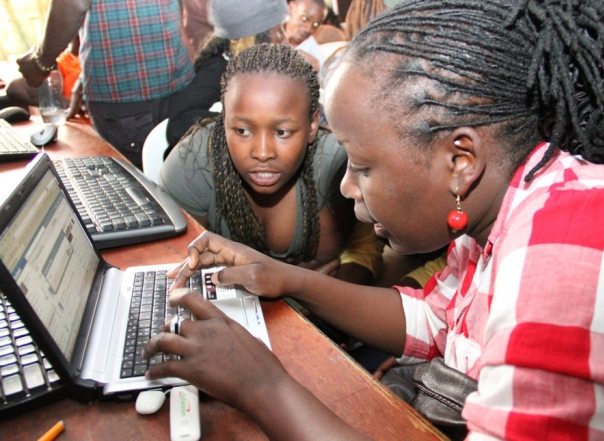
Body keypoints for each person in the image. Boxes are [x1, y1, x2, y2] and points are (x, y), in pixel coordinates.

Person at [144, 1, 604, 440]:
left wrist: (261, 384)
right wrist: (283, 275)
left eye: (362, 166)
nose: (346, 186)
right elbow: (434, 321)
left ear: (461, 161)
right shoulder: (504, 204)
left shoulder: (577, 234)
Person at [161, 43, 380, 287]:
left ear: (313, 125)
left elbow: (362, 251)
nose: (263, 153)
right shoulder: (193, 165)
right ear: (224, 120)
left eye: (282, 132)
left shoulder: (336, 167)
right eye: (243, 130)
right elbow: (177, 266)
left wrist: (325, 291)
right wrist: (292, 284)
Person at [16, 0, 194, 169]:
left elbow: (72, 3)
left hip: (128, 98)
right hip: (180, 83)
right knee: (181, 184)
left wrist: (41, 62)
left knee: (135, 193)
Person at [165, 0, 289, 151]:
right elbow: (178, 123)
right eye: (279, 31)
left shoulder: (258, 66)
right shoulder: (218, 70)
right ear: (256, 39)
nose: (286, 40)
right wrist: (244, 125)